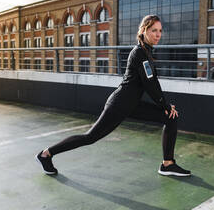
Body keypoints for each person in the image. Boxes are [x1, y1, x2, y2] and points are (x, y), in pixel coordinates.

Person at [35, 15, 191, 177]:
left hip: (132, 105)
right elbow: (150, 84)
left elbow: (153, 82)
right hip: (119, 105)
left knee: (170, 117)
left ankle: (167, 164)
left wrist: (165, 106)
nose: (158, 35)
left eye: (160, 31)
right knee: (90, 137)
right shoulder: (139, 53)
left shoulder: (146, 52)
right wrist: (165, 105)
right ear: (144, 31)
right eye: (154, 31)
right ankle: (46, 154)